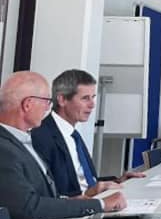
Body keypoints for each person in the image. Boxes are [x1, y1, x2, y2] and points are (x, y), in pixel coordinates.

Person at [0, 71, 125, 219]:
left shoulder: (22, 140)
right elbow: (29, 209)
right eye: (46, 101)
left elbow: (42, 195)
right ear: (28, 105)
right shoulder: (4, 149)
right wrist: (100, 204)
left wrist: (74, 200)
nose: (48, 108)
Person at [31, 69, 144, 197]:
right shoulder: (41, 137)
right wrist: (88, 195)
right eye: (85, 98)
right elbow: (47, 196)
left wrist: (118, 181)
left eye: (93, 97)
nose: (92, 105)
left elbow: (85, 181)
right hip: (76, 207)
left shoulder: (73, 134)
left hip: (92, 201)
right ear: (62, 100)